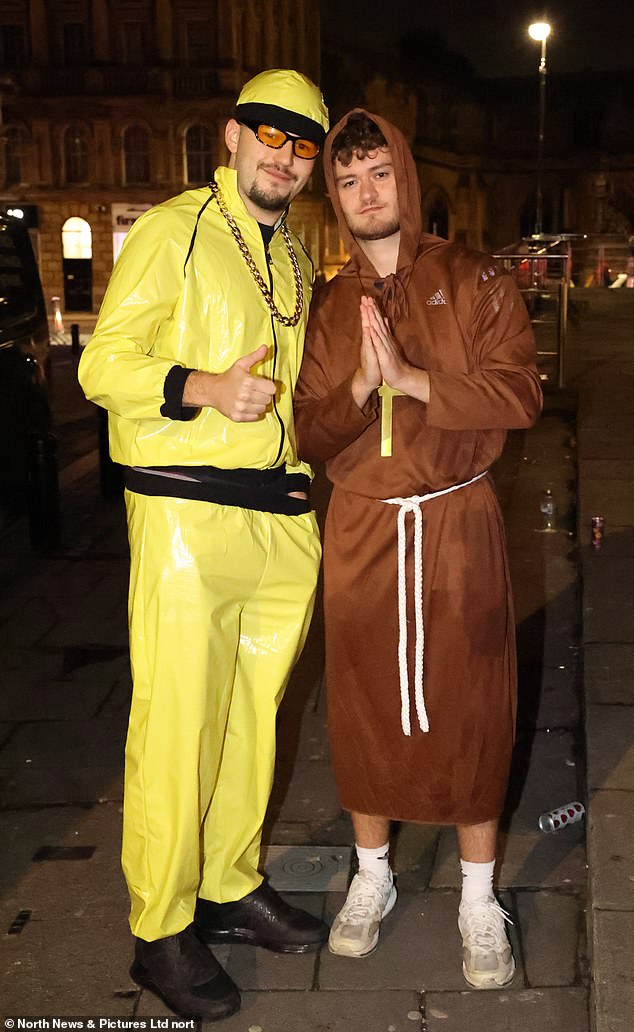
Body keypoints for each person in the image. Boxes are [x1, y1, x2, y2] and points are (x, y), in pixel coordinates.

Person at [79, 69, 330, 1022]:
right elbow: (106, 362)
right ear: (232, 135)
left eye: (303, 145)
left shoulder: (296, 257)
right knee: (179, 723)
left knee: (252, 719)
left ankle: (227, 884)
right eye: (271, 133)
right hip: (187, 512)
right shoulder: (173, 229)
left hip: (276, 517)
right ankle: (159, 929)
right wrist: (203, 387)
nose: (285, 155)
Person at [294, 110, 543, 989]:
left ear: (405, 174)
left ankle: (480, 896)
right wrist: (362, 386)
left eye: (380, 175)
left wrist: (413, 380)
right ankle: (373, 878)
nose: (367, 194)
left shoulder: (474, 279)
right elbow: (310, 432)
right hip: (361, 528)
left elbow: (519, 393)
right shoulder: (330, 303)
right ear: (337, 197)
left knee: (473, 702)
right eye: (349, 181)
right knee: (360, 702)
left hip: (455, 518)